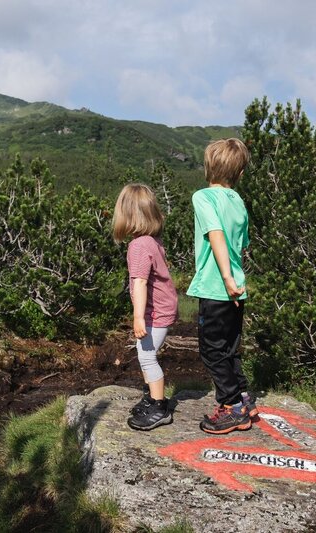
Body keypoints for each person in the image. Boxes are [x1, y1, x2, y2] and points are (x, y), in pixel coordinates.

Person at [187, 138, 257, 435]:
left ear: (209, 167)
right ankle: (244, 398)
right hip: (236, 288)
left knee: (212, 351)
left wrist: (226, 277)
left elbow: (215, 233)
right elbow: (242, 244)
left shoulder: (203, 197)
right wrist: (235, 281)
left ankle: (233, 408)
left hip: (217, 286)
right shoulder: (238, 201)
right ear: (239, 174)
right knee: (230, 348)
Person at [112, 183, 179, 431]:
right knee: (146, 355)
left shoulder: (138, 246)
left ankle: (159, 407)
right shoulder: (152, 241)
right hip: (163, 307)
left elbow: (140, 282)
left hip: (155, 312)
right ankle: (153, 397)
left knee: (147, 357)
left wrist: (138, 317)